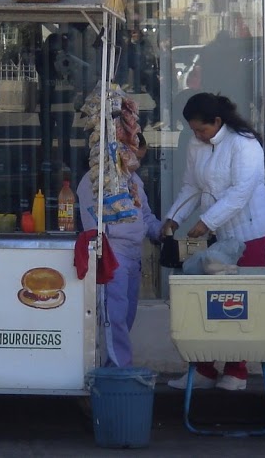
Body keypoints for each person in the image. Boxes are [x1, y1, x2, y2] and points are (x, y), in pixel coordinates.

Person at [163, 93, 265, 391]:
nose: (197, 135)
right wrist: (173, 218)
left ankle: (236, 371)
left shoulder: (244, 143)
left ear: (218, 122)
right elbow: (191, 186)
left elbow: (241, 193)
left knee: (239, 304)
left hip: (250, 232)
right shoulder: (198, 144)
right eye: (193, 130)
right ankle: (204, 368)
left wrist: (204, 222)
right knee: (209, 303)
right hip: (218, 235)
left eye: (202, 129)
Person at [77, 134, 162, 368]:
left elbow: (144, 214)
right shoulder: (93, 181)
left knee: (127, 315)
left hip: (134, 252)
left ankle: (113, 366)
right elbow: (93, 224)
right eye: (136, 157)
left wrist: (160, 230)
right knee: (113, 316)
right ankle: (119, 369)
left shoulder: (133, 179)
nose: (138, 164)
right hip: (113, 252)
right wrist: (102, 256)